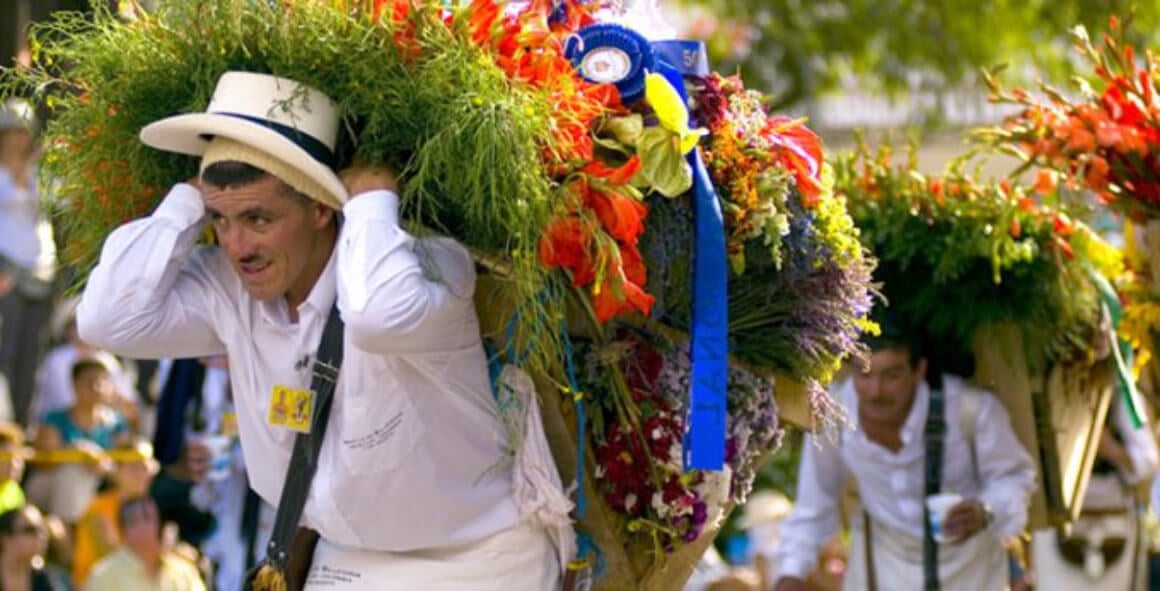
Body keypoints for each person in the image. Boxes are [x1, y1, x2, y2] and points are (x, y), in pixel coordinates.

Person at [77, 71, 566, 590]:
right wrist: (189, 201)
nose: (238, 246)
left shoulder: (421, 265)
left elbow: (377, 317)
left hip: (475, 560)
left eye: (259, 219)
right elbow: (107, 319)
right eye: (222, 221)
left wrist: (372, 202)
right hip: (343, 557)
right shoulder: (228, 285)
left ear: (319, 207)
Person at [772, 310, 1037, 591]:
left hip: (969, 567)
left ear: (919, 370)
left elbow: (1015, 480)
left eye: (891, 375)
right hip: (882, 566)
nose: (876, 391)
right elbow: (814, 505)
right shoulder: (834, 417)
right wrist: (790, 573)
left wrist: (985, 510)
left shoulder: (969, 411)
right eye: (865, 375)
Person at [0, 97, 57, 426]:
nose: (19, 139)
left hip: (41, 270)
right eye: (12, 132)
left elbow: (56, 204)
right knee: (5, 352)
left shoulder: (43, 172)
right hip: (6, 271)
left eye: (23, 132)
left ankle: (22, 424)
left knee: (32, 355)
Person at [26, 358, 132, 523]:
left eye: (103, 381)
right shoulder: (54, 419)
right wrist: (74, 453)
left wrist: (100, 463)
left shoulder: (117, 424)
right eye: (90, 381)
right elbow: (42, 464)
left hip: (99, 485)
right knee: (73, 473)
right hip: (52, 487)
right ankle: (69, 536)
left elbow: (124, 465)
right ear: (74, 385)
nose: (97, 387)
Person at [72, 439, 160, 587]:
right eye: (133, 467)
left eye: (144, 467)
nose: (140, 474)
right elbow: (113, 556)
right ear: (117, 472)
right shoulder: (99, 509)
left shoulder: (151, 507)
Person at [83, 496, 205, 591]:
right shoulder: (104, 576)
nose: (163, 526)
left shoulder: (182, 572)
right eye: (154, 518)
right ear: (131, 528)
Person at [0, 504, 73, 591]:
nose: (40, 536)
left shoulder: (47, 580)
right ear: (5, 538)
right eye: (30, 530)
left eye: (42, 530)